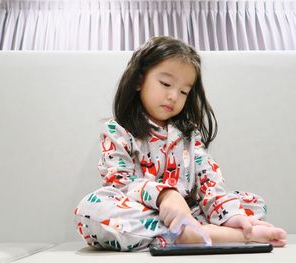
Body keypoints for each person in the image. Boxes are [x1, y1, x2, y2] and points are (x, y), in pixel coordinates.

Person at [74, 36, 287, 251]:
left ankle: (195, 232)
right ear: (139, 81)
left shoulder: (189, 134)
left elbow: (209, 181)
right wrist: (165, 195)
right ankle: (219, 235)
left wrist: (232, 215)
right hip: (141, 212)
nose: (174, 96)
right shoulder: (117, 130)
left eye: (184, 91)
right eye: (165, 84)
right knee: (91, 209)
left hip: (191, 213)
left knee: (252, 203)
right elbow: (119, 183)